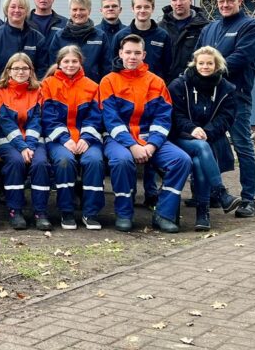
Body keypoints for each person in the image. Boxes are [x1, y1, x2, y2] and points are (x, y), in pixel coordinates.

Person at [100, 34, 191, 233]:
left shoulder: (156, 82)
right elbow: (111, 120)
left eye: (137, 53)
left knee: (181, 160)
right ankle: (124, 214)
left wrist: (151, 145)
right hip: (119, 139)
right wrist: (132, 145)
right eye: (128, 52)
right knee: (122, 161)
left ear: (144, 55)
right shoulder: (109, 81)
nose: (132, 57)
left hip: (150, 139)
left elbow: (163, 118)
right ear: (120, 54)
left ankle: (163, 214)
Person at [198, 0, 255, 218]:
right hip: (209, 98)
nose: (224, 5)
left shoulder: (250, 26)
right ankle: (214, 194)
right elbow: (198, 58)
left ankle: (249, 198)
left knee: (242, 145)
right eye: (221, 1)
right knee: (210, 143)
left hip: (236, 97)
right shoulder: (210, 28)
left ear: (240, 1)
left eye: (229, 1)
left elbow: (241, 57)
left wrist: (210, 70)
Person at [168, 46, 241, 230]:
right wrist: (192, 129)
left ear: (217, 66)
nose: (205, 67)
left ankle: (203, 215)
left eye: (210, 63)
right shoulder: (179, 85)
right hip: (181, 137)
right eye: (201, 63)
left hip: (210, 138)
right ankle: (221, 194)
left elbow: (226, 118)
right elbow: (175, 115)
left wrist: (207, 131)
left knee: (200, 159)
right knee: (200, 147)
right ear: (194, 63)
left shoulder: (226, 88)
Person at [41, 46, 105, 230]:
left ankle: (91, 212)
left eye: (74, 61)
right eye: (66, 61)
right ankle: (66, 211)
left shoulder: (92, 86)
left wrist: (85, 138)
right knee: (64, 161)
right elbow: (48, 117)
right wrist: (65, 139)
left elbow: (96, 116)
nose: (70, 65)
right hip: (59, 139)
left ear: (81, 62)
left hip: (87, 139)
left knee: (94, 161)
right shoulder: (48, 85)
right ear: (59, 63)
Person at [0, 53, 50, 230]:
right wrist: (22, 146)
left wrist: (29, 146)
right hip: (8, 140)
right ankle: (15, 211)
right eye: (16, 68)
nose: (20, 71)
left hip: (33, 140)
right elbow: (5, 122)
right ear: (8, 71)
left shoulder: (38, 90)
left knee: (40, 163)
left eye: (25, 68)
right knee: (16, 162)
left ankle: (40, 212)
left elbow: (36, 121)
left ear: (31, 71)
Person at [0, 0, 48, 87]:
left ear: (26, 11)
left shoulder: (38, 38)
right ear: (6, 9)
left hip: (30, 94)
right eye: (13, 7)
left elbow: (42, 69)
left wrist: (33, 88)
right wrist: (0, 89)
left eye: (21, 7)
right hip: (2, 93)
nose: (17, 10)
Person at [48, 0, 109, 83]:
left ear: (89, 11)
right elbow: (53, 64)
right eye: (74, 9)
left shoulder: (100, 36)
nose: (78, 13)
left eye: (82, 9)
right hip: (64, 90)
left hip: (92, 89)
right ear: (70, 11)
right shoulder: (60, 36)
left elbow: (106, 66)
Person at [111, 0, 172, 80]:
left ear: (153, 8)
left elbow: (167, 66)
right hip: (126, 88)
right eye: (138, 7)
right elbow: (114, 65)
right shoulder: (120, 36)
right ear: (133, 9)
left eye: (146, 7)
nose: (142, 10)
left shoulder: (163, 36)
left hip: (153, 88)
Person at [159, 0, 209, 83]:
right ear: (171, 2)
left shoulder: (204, 27)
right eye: (174, 0)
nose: (178, 3)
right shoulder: (160, 28)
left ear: (190, 0)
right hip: (165, 85)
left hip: (193, 85)